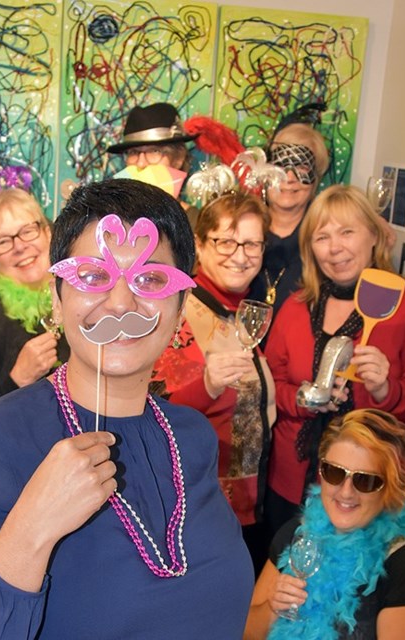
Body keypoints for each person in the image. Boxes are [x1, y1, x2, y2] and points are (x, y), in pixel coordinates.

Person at [0, 179, 254, 639]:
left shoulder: (192, 437)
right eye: (93, 277)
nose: (121, 302)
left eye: (150, 279)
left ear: (180, 304)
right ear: (57, 297)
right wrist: (29, 532)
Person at [261, 184, 405, 543]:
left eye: (347, 232)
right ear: (310, 248)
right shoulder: (296, 308)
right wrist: (300, 399)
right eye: (321, 236)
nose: (334, 247)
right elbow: (269, 386)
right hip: (290, 483)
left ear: (374, 235)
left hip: (369, 487)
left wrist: (386, 390)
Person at [150, 191, 276, 576]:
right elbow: (151, 412)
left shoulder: (248, 312)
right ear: (200, 246)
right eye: (225, 241)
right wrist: (207, 384)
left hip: (253, 507)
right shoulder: (177, 311)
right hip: (197, 511)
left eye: (251, 243)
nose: (240, 255)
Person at [243, 409, 405, 640]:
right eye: (335, 472)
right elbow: (246, 633)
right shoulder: (298, 533)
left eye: (365, 480)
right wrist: (273, 609)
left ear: (393, 487)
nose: (346, 492)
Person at [0, 187, 70, 408]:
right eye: (3, 242)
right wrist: (18, 379)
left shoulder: (81, 294)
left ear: (48, 233)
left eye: (27, 231)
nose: (20, 246)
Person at [247, 110, 331, 317]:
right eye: (281, 166)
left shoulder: (326, 236)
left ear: (316, 177)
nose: (290, 178)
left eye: (302, 168)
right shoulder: (244, 226)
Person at [107, 103, 199, 219]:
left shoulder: (197, 224)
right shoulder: (112, 220)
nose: (141, 163)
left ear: (178, 158)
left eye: (154, 151)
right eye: (134, 152)